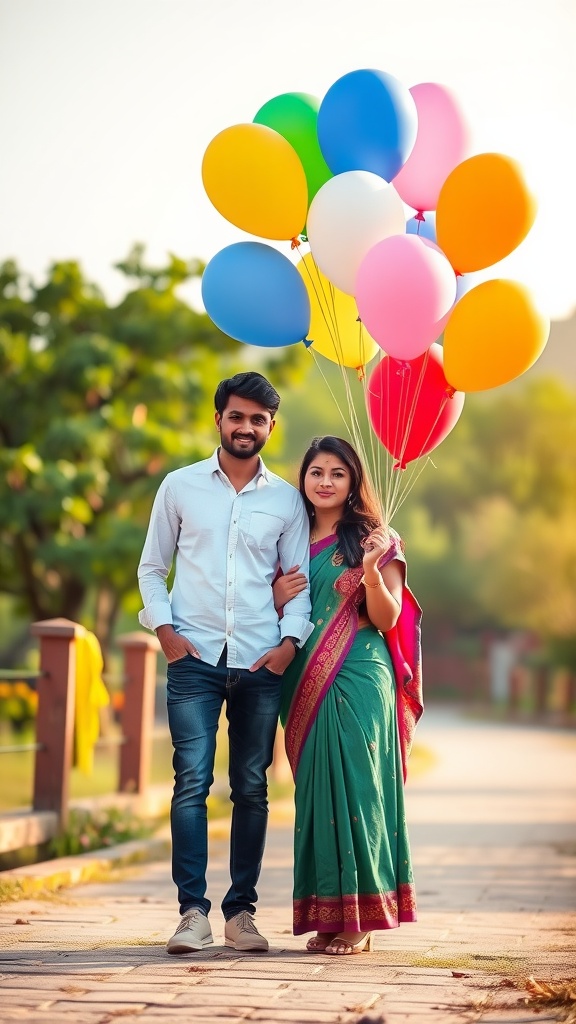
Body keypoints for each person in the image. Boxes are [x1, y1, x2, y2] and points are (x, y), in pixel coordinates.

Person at [137, 371, 313, 955]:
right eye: (236, 416)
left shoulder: (287, 499)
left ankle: (241, 914)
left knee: (251, 787)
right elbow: (150, 568)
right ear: (219, 419)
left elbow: (298, 582)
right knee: (191, 783)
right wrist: (164, 631)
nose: (246, 427)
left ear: (270, 426)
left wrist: (289, 645)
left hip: (261, 663)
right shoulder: (180, 487)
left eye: (257, 419)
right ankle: (192, 913)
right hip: (193, 657)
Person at [274, 436, 423, 955]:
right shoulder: (287, 540)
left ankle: (360, 920)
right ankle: (327, 912)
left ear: (353, 480)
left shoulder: (377, 540)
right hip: (301, 683)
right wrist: (273, 596)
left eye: (337, 473)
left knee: (358, 790)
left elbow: (387, 619)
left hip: (358, 675)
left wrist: (370, 572)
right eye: (317, 471)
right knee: (318, 796)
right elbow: (267, 611)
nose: (326, 482)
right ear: (304, 477)